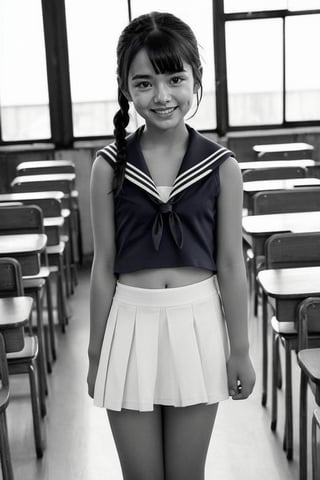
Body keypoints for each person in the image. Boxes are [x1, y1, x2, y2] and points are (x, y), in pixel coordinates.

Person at [87, 11, 255, 480]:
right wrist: (96, 353)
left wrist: (239, 349)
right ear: (126, 89)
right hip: (129, 325)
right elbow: (103, 267)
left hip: (197, 324)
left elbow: (230, 265)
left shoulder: (223, 167)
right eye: (144, 83)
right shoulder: (107, 165)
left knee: (186, 475)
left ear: (196, 79)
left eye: (175, 78)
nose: (161, 97)